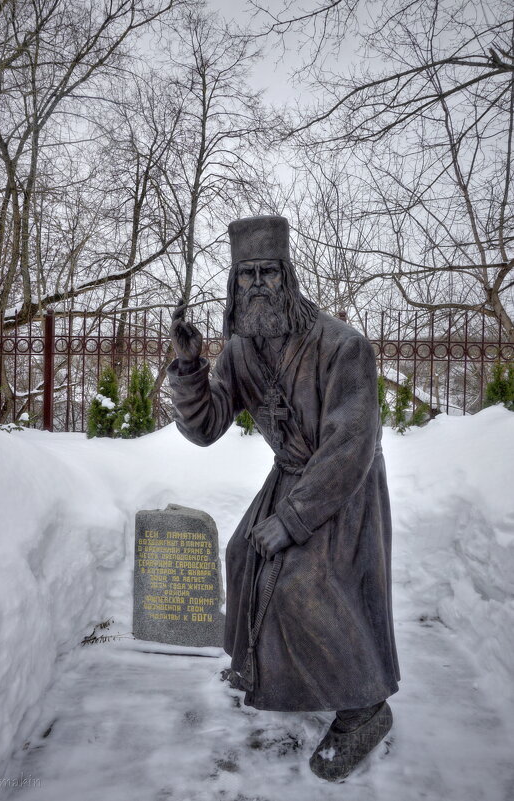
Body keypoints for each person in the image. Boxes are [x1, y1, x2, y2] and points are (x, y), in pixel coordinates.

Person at [167, 215, 400, 782]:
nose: (257, 286)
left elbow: (352, 443)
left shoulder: (343, 346)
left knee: (303, 582)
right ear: (233, 285)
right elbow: (206, 426)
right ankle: (258, 667)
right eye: (245, 276)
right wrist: (192, 369)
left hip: (343, 488)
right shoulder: (241, 350)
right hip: (290, 477)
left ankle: (366, 707)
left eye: (268, 272)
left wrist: (294, 519)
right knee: (244, 555)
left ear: (289, 276)